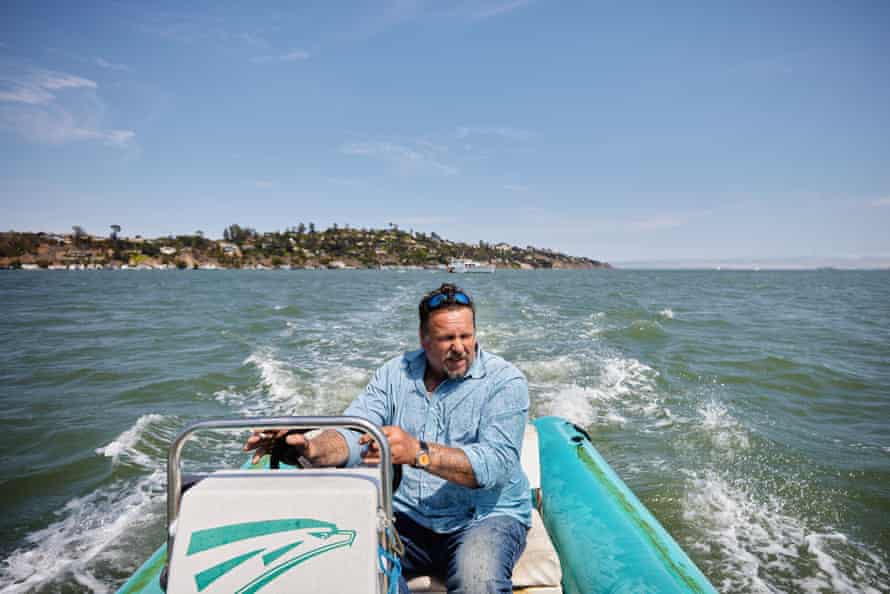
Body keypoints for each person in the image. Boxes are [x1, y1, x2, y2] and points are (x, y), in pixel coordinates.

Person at [244, 283, 531, 594]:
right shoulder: (394, 375)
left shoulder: (505, 381)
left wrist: (418, 452)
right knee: (348, 564)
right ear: (424, 340)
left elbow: (497, 466)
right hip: (407, 518)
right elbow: (355, 434)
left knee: (479, 581)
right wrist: (309, 447)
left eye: (466, 336)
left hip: (484, 517)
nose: (460, 347)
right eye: (447, 338)